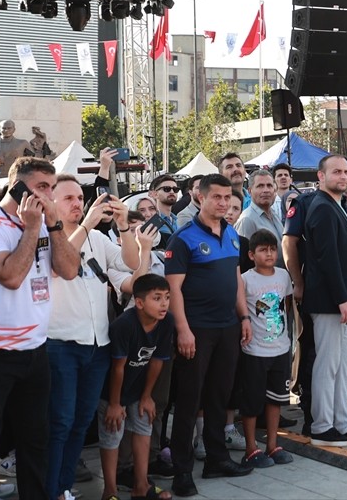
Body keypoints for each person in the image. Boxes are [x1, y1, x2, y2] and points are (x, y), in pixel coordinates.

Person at [0, 156, 81, 500]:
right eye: (42, 187)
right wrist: (30, 229)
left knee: (35, 443)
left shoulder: (43, 224)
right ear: (18, 186)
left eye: (52, 188)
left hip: (33, 350)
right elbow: (11, 276)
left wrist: (53, 227)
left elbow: (70, 271)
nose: (50, 195)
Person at [45, 176, 143, 500]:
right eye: (69, 198)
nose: (77, 203)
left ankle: (63, 487)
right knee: (59, 422)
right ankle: (52, 490)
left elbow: (132, 263)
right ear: (53, 203)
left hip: (97, 345)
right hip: (60, 344)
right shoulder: (46, 237)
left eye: (79, 197)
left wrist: (124, 226)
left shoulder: (98, 241)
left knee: (80, 421)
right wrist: (86, 224)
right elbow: (60, 267)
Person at [165, 173, 255, 496]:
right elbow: (173, 289)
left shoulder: (231, 234)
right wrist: (183, 329)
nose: (223, 202)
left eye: (227, 197)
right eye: (216, 196)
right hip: (197, 330)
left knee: (220, 395)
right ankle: (182, 471)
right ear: (200, 198)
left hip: (228, 327)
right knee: (189, 400)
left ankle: (216, 458)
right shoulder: (184, 238)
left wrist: (243, 316)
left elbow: (236, 280)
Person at [302, 155, 347, 447]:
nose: (343, 176)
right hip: (330, 303)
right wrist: (343, 299)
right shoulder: (321, 208)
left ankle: (342, 423)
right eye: (336, 172)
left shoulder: (340, 206)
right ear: (320, 176)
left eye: (346, 171)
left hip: (345, 303)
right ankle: (322, 426)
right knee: (328, 365)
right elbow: (327, 260)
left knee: (343, 364)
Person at [97, 274, 175, 500]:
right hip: (111, 390)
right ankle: (109, 491)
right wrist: (114, 403)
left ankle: (141, 485)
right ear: (139, 303)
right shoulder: (124, 325)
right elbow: (117, 368)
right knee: (112, 434)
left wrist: (147, 395)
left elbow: (157, 359)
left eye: (167, 297)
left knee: (144, 425)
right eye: (157, 298)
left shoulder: (166, 321)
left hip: (139, 388)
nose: (164, 304)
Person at [236, 230, 295, 469]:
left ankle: (273, 444)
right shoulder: (245, 279)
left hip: (280, 349)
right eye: (262, 250)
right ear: (251, 254)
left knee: (276, 400)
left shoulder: (282, 276)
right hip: (255, 351)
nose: (269, 253)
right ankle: (251, 447)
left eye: (272, 249)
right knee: (251, 402)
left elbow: (288, 306)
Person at [235, 170, 285, 265]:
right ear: (250, 191)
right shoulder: (247, 220)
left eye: (269, 186)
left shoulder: (274, 214)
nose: (266, 190)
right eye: (260, 186)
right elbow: (245, 261)